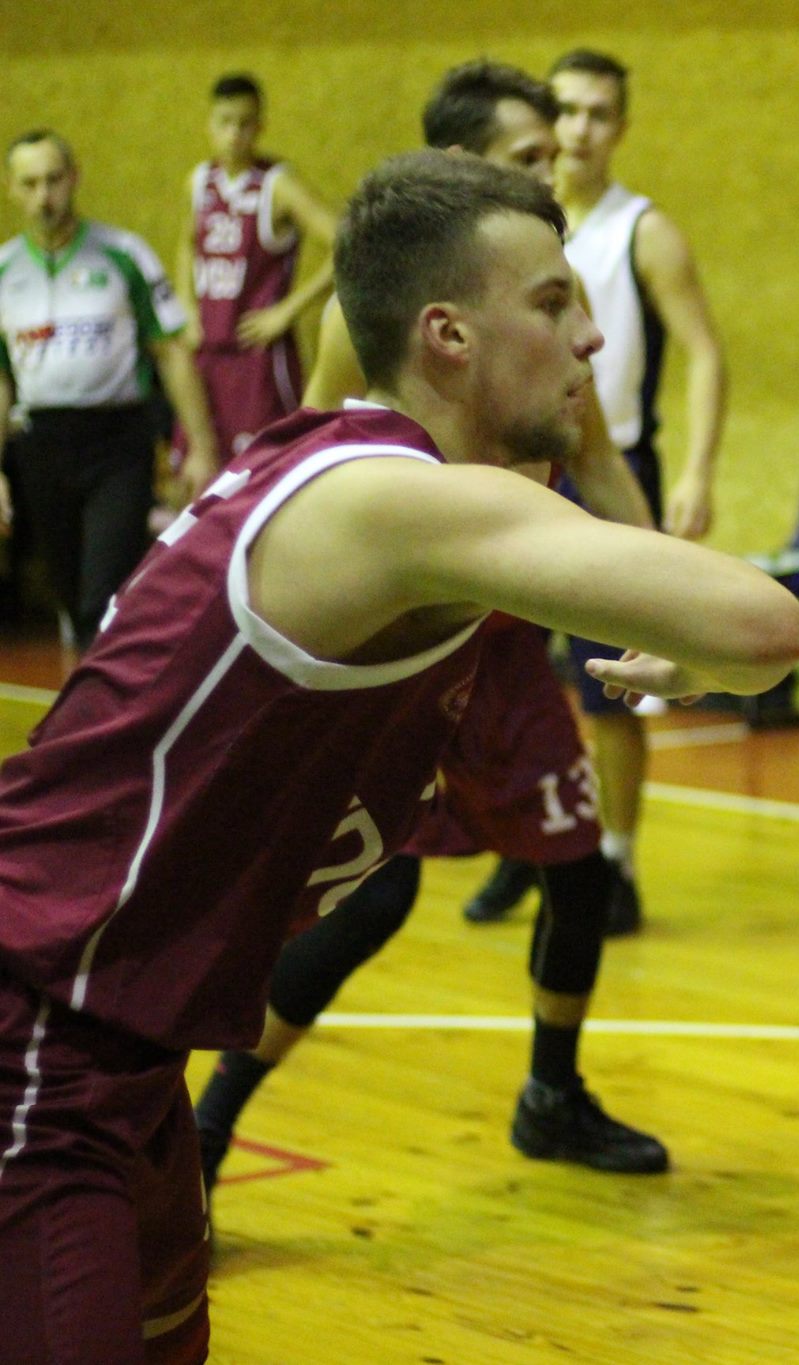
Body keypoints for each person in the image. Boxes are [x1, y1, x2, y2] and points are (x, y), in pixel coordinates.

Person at [0, 149, 799, 1364]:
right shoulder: (397, 503)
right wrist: (696, 650)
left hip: (118, 1044)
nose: (591, 336)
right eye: (552, 302)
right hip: (35, 1027)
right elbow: (765, 628)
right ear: (447, 336)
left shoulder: (337, 464)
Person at [192, 59, 672, 1193]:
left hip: (502, 642)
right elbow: (313, 473)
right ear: (459, 167)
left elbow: (597, 457)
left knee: (578, 866)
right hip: (401, 644)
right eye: (526, 158)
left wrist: (663, 589)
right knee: (373, 892)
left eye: (552, 153)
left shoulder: (543, 300)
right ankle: (207, 1126)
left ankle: (551, 1094)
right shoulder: (372, 317)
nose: (551, 171)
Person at [459, 48, 732, 934]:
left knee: (605, 685)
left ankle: (615, 860)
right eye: (565, 112)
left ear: (620, 128)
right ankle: (520, 841)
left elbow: (706, 352)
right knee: (496, 676)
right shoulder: (494, 237)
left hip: (605, 464)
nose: (578, 130)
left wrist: (696, 468)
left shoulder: (640, 230)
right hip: (510, 470)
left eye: (597, 114)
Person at [1, 129, 219, 660]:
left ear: (74, 178)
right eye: (30, 183)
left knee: (104, 598)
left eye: (54, 180)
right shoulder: (4, 270)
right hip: (40, 446)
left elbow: (171, 352)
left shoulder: (123, 254)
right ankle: (87, 691)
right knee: (71, 595)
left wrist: (203, 446)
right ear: (11, 188)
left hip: (117, 444)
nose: (44, 195)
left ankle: (104, 702)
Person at [174, 73, 336, 465]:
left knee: (267, 469)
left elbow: (344, 244)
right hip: (208, 351)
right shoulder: (199, 181)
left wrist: (288, 311)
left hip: (259, 358)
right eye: (225, 122)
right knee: (197, 470)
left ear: (260, 126)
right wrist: (186, 305)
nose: (234, 134)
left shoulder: (277, 185)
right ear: (209, 125)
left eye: (245, 123)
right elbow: (187, 244)